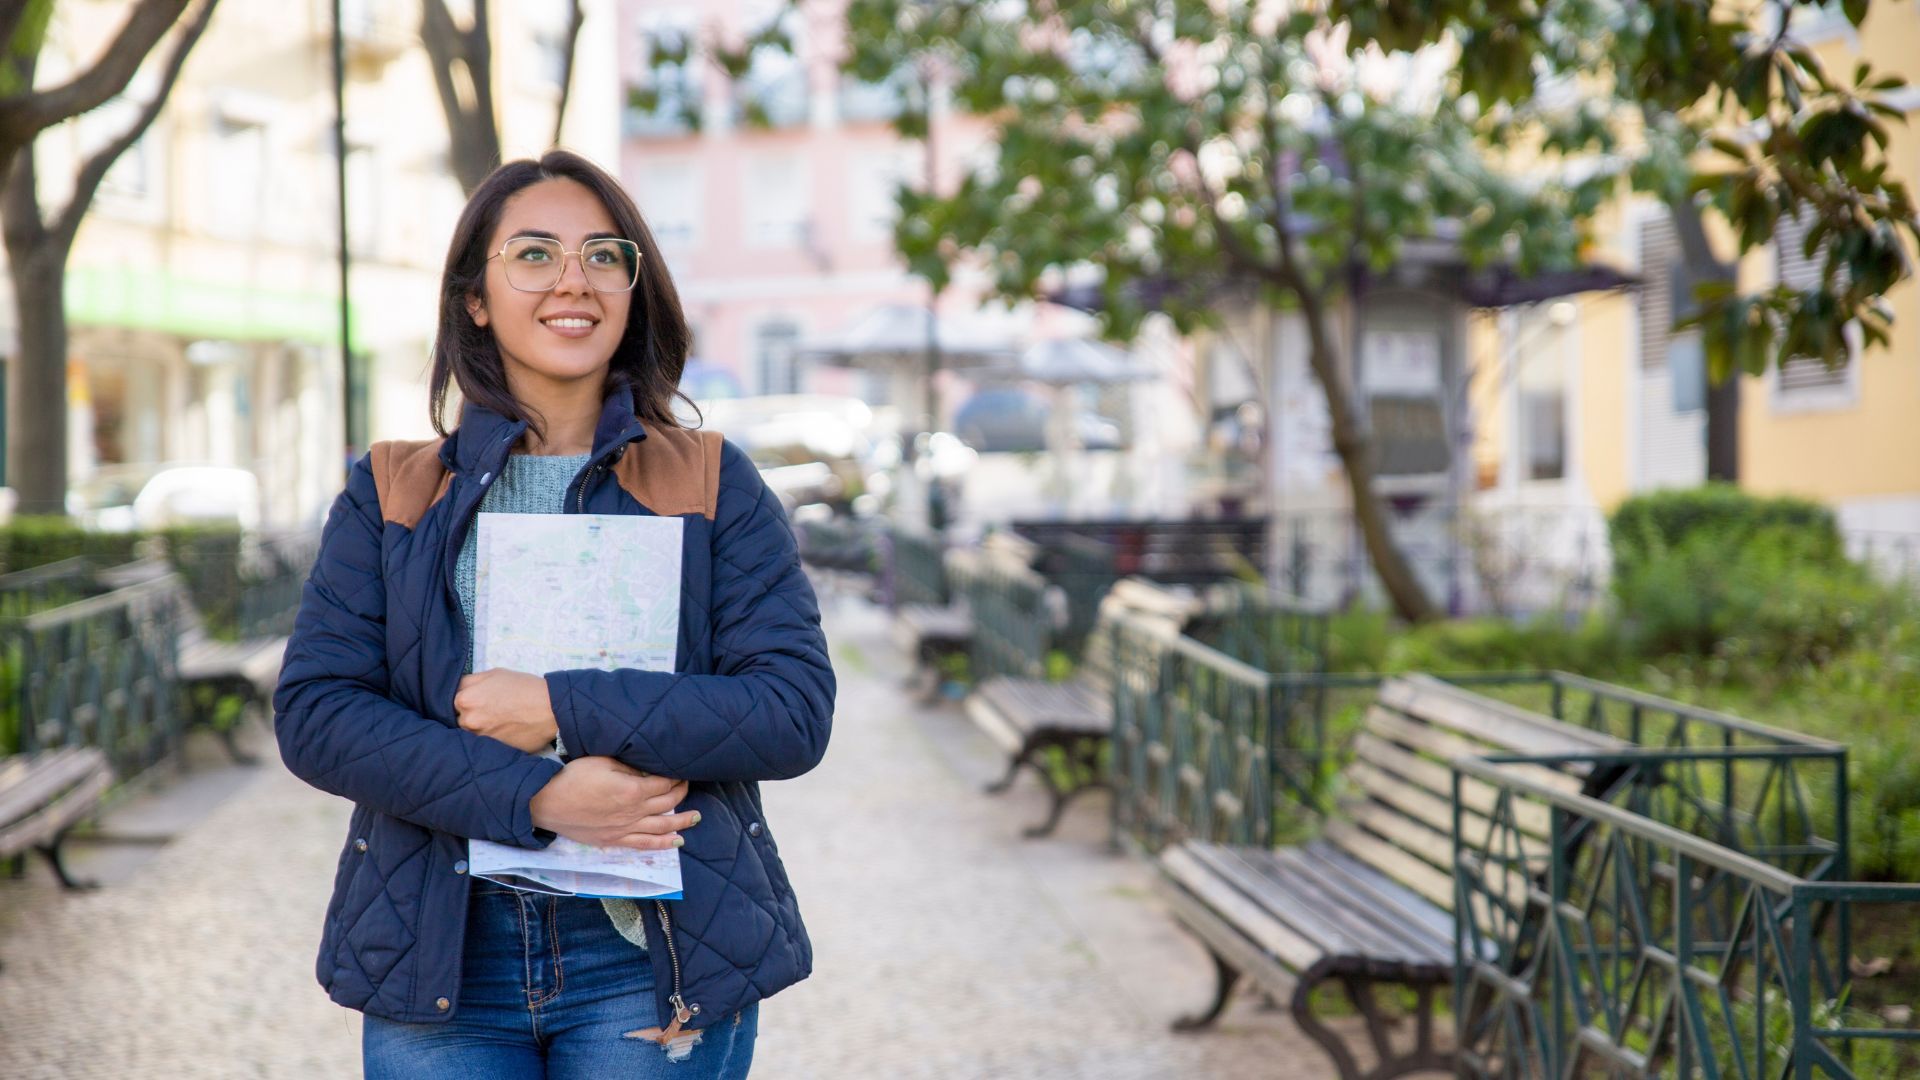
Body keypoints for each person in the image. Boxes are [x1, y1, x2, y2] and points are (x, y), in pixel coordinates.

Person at [273, 150, 834, 1078]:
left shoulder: (709, 480)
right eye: (533, 253)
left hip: (652, 956)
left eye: (603, 254)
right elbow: (320, 715)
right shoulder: (391, 491)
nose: (573, 278)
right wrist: (534, 797)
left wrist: (561, 706)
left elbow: (790, 711)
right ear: (475, 299)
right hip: (442, 951)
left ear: (632, 286)